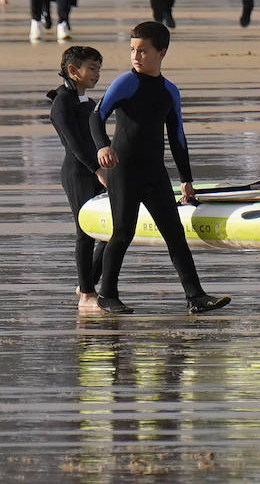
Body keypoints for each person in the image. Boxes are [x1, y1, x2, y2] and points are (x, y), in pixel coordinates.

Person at [90, 21, 231, 315]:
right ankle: (107, 294)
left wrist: (186, 180)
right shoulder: (125, 83)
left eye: (143, 51)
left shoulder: (169, 91)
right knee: (123, 232)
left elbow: (178, 138)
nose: (136, 56)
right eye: (132, 50)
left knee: (174, 233)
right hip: (124, 170)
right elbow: (97, 116)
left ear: (162, 52)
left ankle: (195, 296)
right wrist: (103, 146)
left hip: (154, 172)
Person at [46, 45, 107, 313]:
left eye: (98, 69)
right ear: (73, 71)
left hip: (97, 170)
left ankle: (87, 283)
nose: (97, 74)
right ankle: (87, 295)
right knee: (86, 233)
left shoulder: (90, 103)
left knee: (114, 229)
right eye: (92, 69)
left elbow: (98, 139)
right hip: (77, 172)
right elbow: (74, 144)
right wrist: (97, 169)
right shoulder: (62, 104)